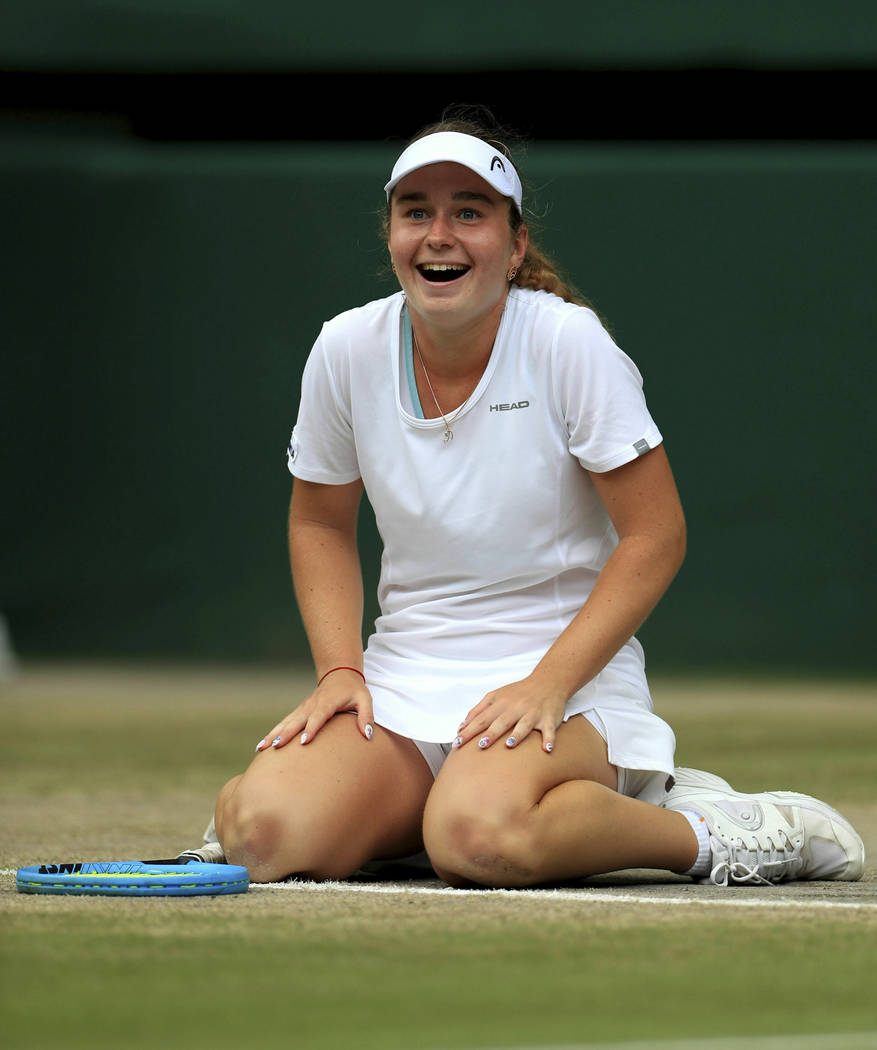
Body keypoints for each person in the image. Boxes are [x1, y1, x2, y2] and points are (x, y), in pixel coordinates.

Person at [189, 107, 865, 889]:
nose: (439, 234)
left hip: (567, 685)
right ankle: (404, 809)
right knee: (266, 840)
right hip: (404, 687)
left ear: (512, 248)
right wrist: (341, 671)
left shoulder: (566, 341)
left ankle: (705, 829)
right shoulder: (345, 347)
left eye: (468, 213)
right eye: (417, 212)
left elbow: (656, 536)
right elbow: (317, 520)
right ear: (391, 238)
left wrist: (546, 684)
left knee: (482, 842)